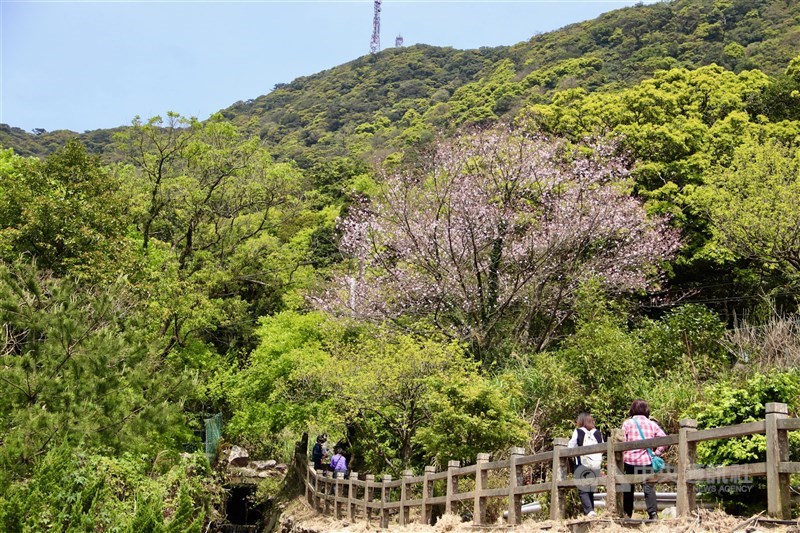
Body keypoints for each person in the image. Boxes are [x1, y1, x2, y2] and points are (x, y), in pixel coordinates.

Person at [621, 399, 666, 520]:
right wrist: (657, 453)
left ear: (632, 410)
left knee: (628, 488)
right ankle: (653, 514)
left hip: (629, 461)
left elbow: (622, 442)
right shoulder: (651, 424)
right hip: (646, 461)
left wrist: (624, 454)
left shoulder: (627, 423)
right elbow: (664, 438)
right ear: (646, 410)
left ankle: (627, 514)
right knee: (648, 488)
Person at [567, 412, 604, 517]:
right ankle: (591, 511)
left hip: (582, 464)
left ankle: (589, 511)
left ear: (581, 421)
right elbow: (602, 448)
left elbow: (571, 446)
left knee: (583, 489)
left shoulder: (578, 431)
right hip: (595, 464)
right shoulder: (598, 433)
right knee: (591, 488)